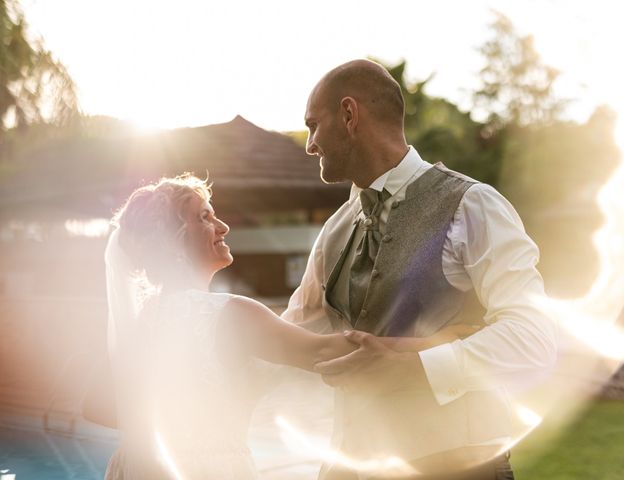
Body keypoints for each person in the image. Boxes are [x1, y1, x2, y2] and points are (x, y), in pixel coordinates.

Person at [281, 59, 558, 479]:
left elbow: (532, 337)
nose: (310, 144)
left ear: (350, 115)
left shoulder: (473, 205)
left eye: (313, 125)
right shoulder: (334, 230)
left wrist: (414, 367)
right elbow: (294, 332)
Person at [102, 173, 478, 480]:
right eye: (204, 217)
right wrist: (442, 342)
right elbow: (326, 352)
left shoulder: (142, 318)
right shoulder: (230, 313)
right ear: (173, 242)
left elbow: (95, 404)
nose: (222, 225)